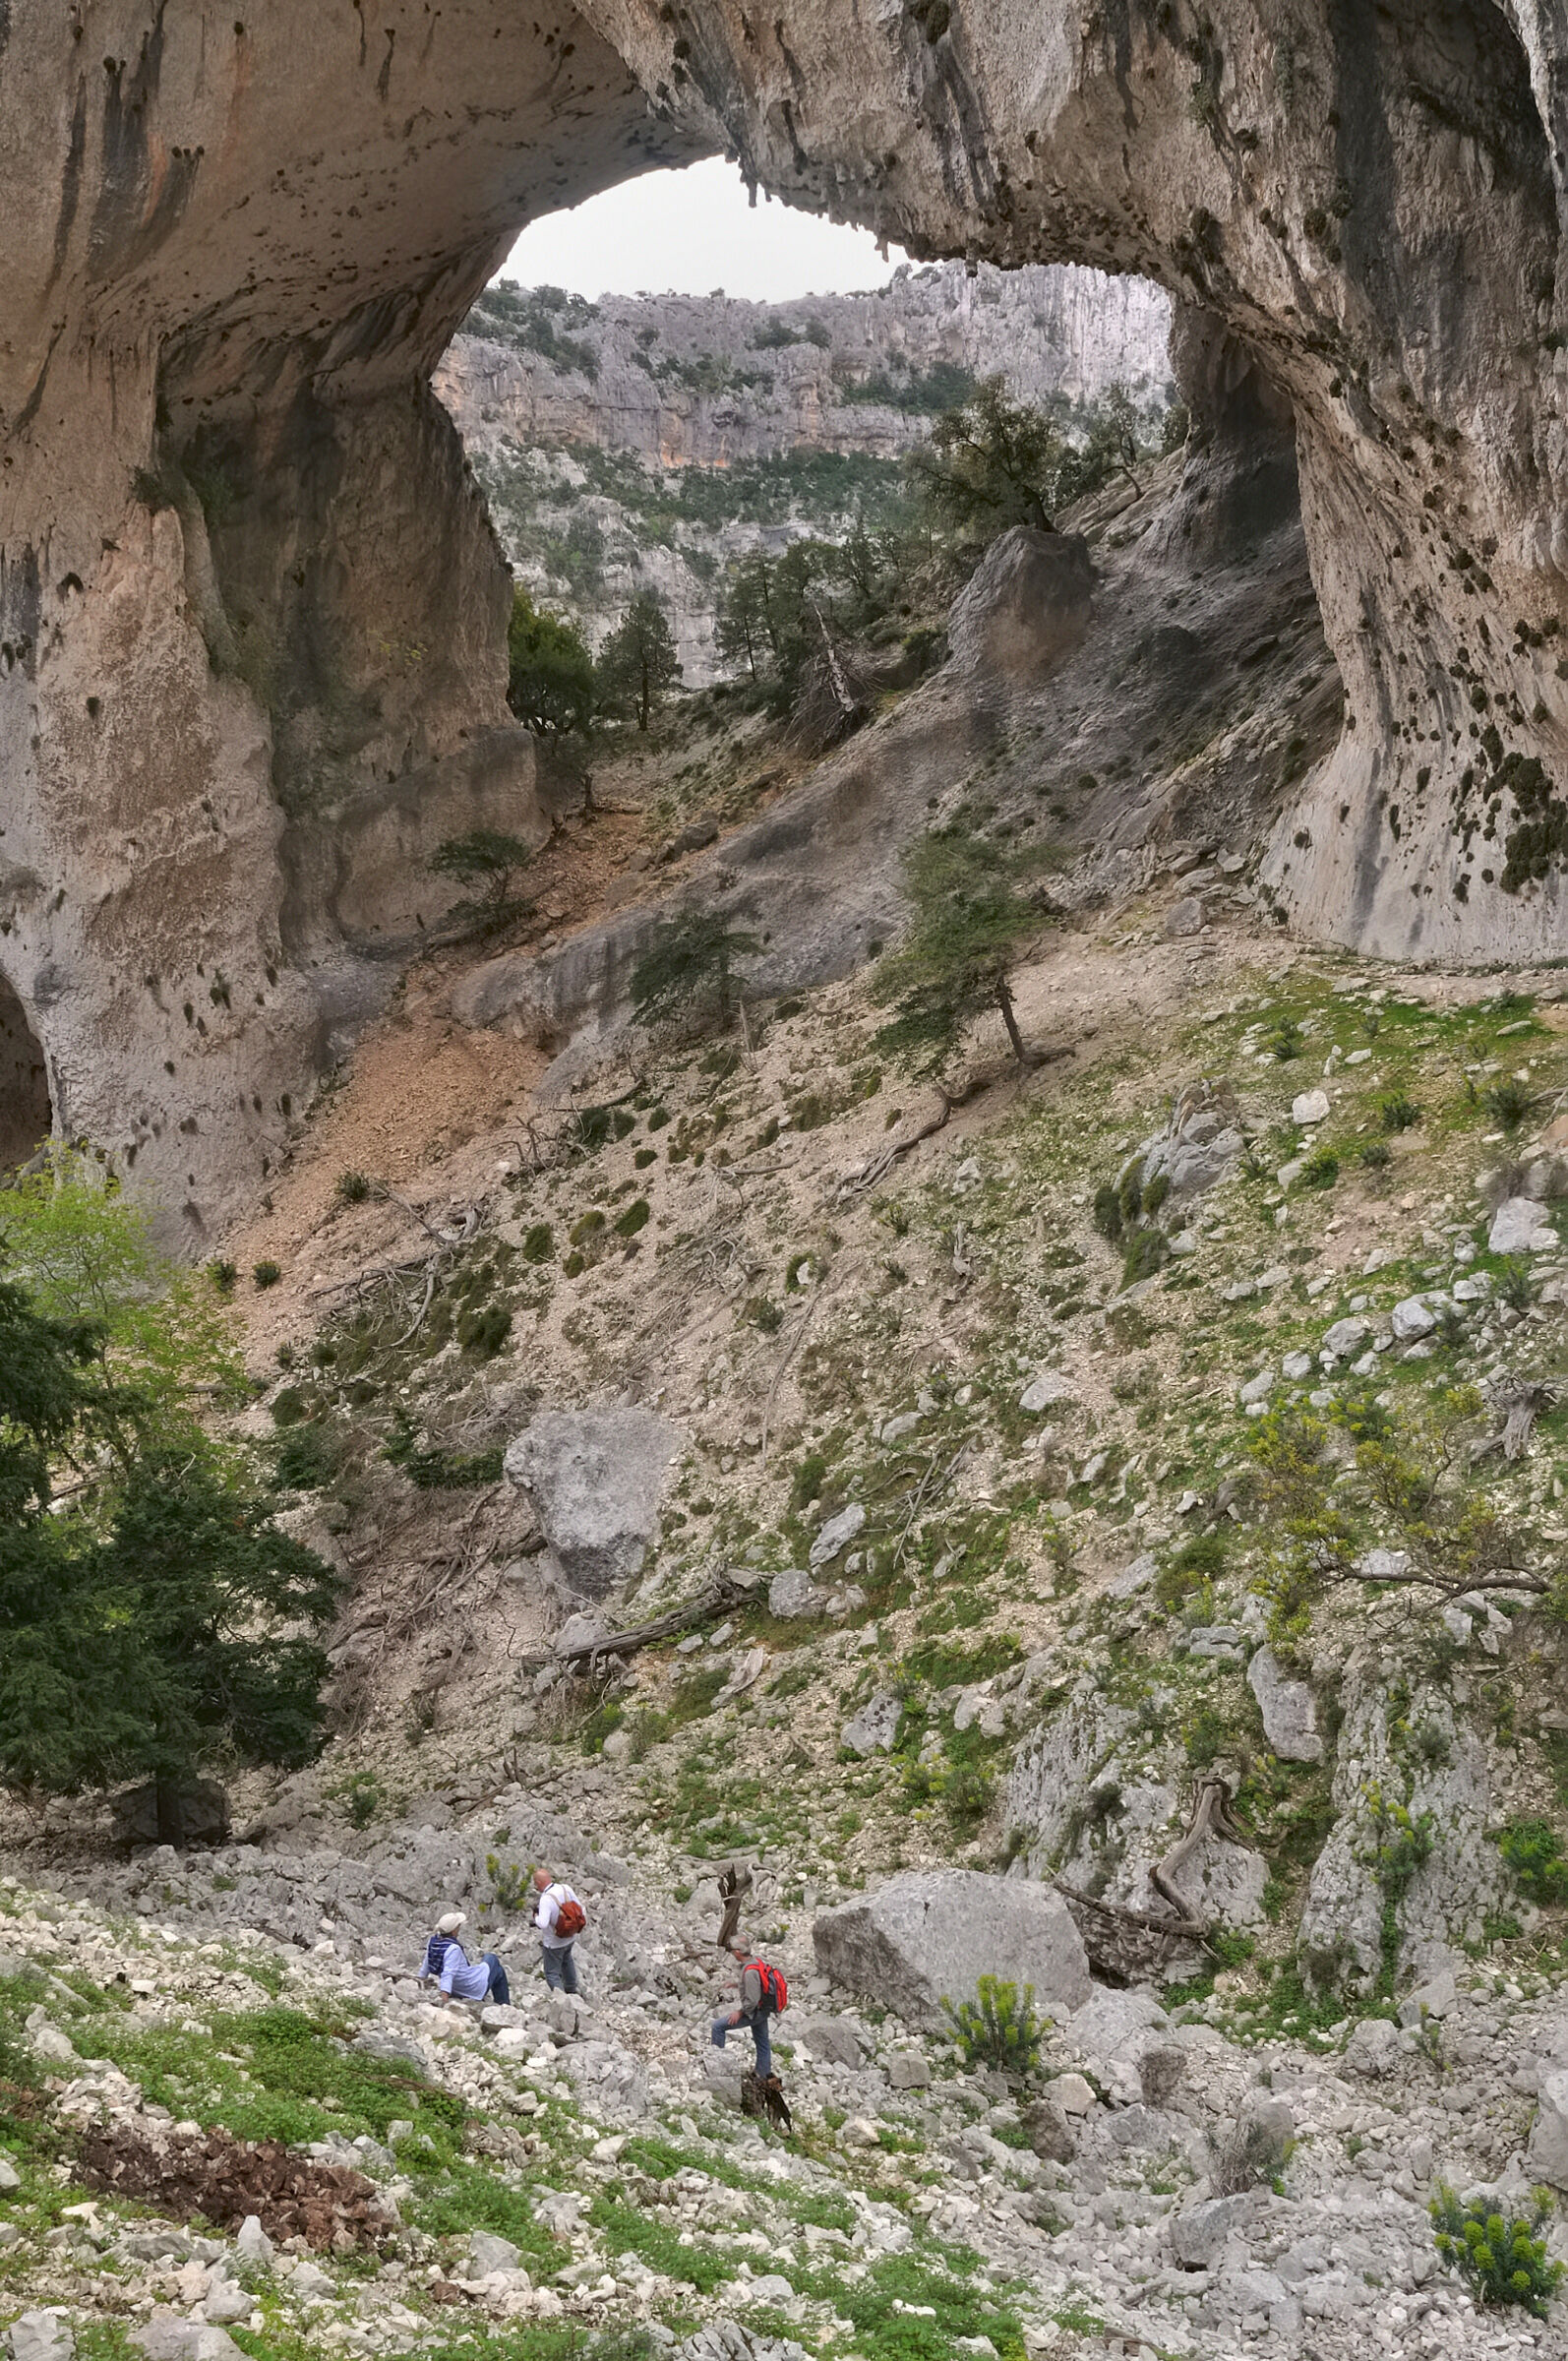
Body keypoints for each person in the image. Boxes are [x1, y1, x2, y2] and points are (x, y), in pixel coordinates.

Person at [711, 1945, 786, 2081]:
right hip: (764, 2009)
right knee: (762, 2042)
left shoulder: (749, 1971)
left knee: (718, 2027)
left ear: (738, 1952)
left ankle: (716, 2067)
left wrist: (739, 2012)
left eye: (733, 1951)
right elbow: (756, 1985)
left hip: (754, 2012)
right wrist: (735, 1984)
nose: (732, 1954)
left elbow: (752, 2000)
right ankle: (763, 2074)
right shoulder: (756, 1962)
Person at [418, 1909, 510, 2004]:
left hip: (455, 1987)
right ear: (454, 1931)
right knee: (491, 1957)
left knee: (499, 1971)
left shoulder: (433, 1942)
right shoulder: (453, 1949)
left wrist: (420, 1980)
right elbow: (448, 1973)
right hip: (471, 1988)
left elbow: (426, 1964)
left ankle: (503, 2004)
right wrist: (444, 1997)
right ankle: (505, 2005)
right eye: (458, 1926)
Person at [531, 1865, 585, 1994]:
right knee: (567, 1960)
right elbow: (581, 1909)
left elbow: (543, 1924)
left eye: (535, 1883)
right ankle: (572, 1989)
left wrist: (536, 1917)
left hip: (554, 1942)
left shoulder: (546, 1899)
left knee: (551, 1973)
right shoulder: (565, 1888)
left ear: (539, 1883)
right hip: (570, 1935)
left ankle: (561, 1999)